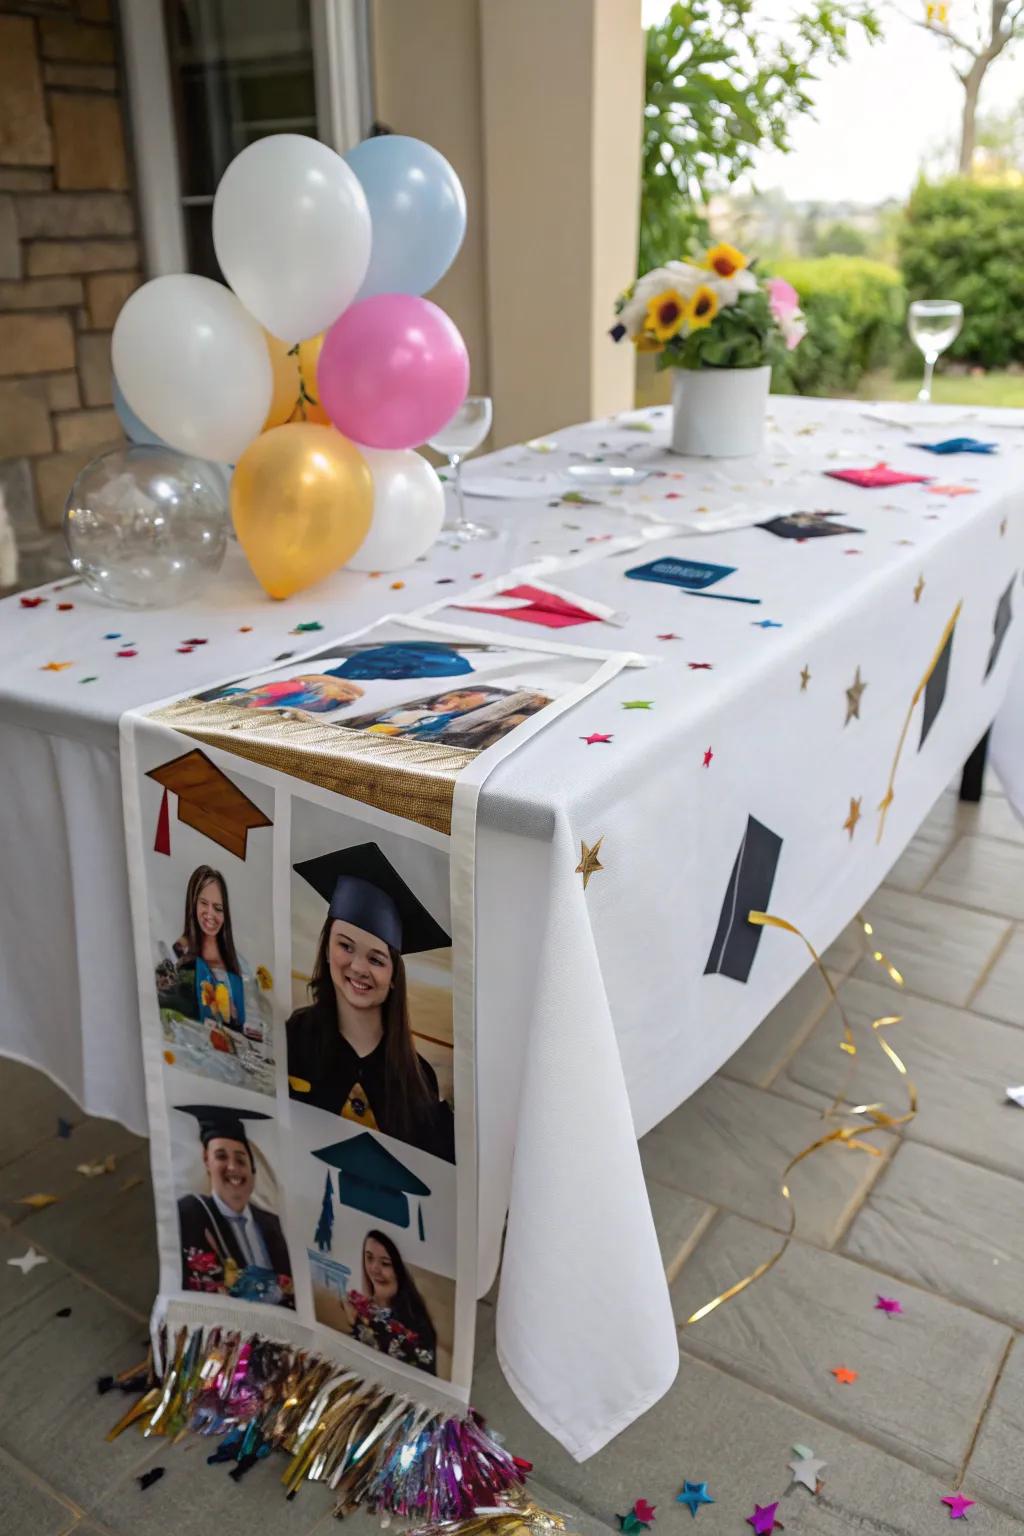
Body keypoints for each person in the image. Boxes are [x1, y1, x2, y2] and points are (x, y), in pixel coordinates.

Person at [287, 843, 455, 1162]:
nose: (359, 968)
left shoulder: (418, 1077)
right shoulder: (296, 1036)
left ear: (393, 976)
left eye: (376, 959)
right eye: (345, 946)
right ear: (326, 949)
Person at [175, 1105, 294, 1307]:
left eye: (241, 1160)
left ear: (252, 1169)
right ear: (206, 1160)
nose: (232, 1167)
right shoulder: (190, 1214)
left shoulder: (272, 1224)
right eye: (221, 1157)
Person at [157, 865, 247, 1034]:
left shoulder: (237, 966)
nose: (210, 914)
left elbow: (240, 1025)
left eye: (218, 908)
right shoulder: (177, 953)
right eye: (204, 903)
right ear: (193, 904)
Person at [345, 1229, 437, 1374]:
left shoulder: (416, 1324)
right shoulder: (354, 1309)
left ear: (399, 1270)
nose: (375, 1269)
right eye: (369, 1258)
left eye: (385, 1263)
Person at [211, 673, 365, 713]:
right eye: (345, 691)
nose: (344, 696)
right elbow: (298, 679)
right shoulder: (299, 687)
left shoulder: (318, 702)